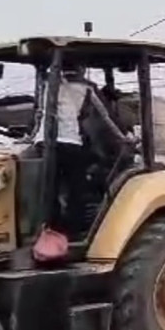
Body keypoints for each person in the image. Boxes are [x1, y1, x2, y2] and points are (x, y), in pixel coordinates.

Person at [34, 63, 127, 241]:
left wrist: (29, 138)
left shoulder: (46, 85)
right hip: (70, 142)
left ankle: (50, 228)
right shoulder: (86, 88)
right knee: (77, 188)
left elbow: (41, 115)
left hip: (44, 143)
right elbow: (105, 116)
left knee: (49, 188)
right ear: (81, 69)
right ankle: (74, 231)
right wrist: (123, 137)